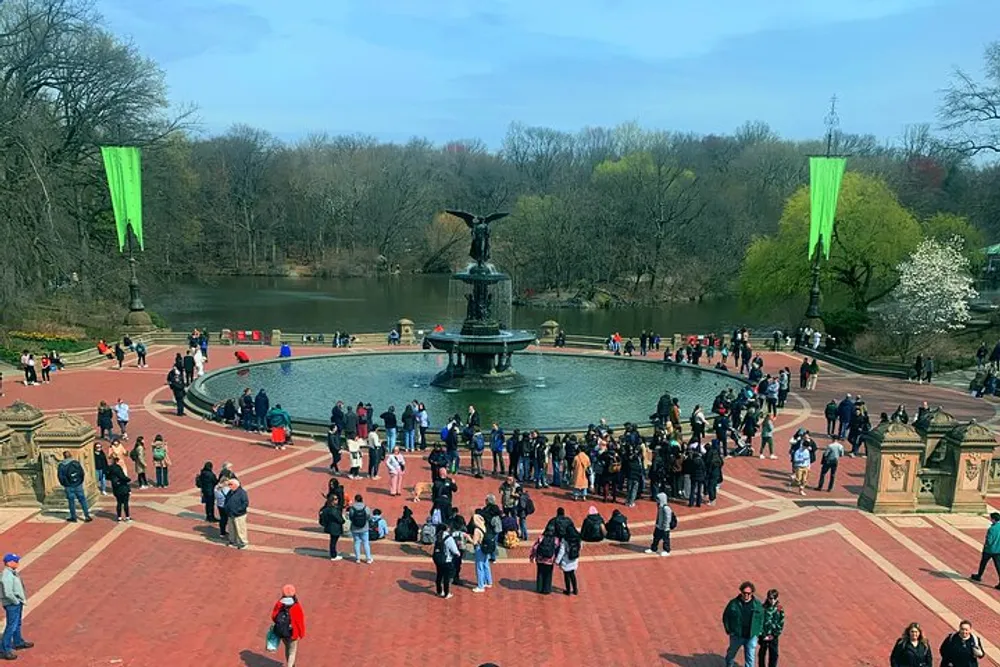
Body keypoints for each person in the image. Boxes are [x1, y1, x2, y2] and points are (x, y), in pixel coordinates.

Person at [722, 581, 764, 667]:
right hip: (737, 635)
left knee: (750, 658)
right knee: (731, 654)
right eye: (744, 593)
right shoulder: (733, 603)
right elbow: (726, 617)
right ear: (741, 592)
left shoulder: (757, 605)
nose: (746, 595)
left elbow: (761, 618)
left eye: (749, 593)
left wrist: (758, 632)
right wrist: (729, 630)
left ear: (752, 593)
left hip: (751, 636)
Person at [0, 554, 31, 660]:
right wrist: (16, 601)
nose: (18, 562)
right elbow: (8, 593)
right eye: (15, 561)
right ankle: (4, 649)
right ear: (9, 563)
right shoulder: (7, 575)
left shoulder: (13, 573)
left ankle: (18, 642)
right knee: (11, 626)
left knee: (17, 623)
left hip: (17, 602)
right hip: (12, 604)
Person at [270, 584, 305, 667]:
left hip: (282, 632)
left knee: (287, 648)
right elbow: (299, 621)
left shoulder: (279, 604)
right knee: (292, 651)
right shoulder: (296, 606)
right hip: (293, 633)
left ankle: (290, 664)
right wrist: (301, 633)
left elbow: (274, 616)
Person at [56, 451, 93, 523]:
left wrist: (64, 484)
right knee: (82, 500)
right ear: (71, 455)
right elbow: (82, 473)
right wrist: (80, 481)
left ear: (64, 456)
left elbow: (60, 476)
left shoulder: (61, 465)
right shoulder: (76, 463)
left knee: (71, 501)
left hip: (68, 486)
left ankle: (73, 517)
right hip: (78, 484)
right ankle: (87, 516)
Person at [970, 511, 1000, 588]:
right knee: (998, 566)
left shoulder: (991, 529)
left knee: (983, 563)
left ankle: (979, 575)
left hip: (989, 550)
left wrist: (986, 546)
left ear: (993, 519)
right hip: (998, 550)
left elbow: (989, 541)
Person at [432, 524, 461, 599]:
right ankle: (446, 593)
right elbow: (454, 550)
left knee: (439, 574)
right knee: (447, 577)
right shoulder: (448, 538)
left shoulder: (437, 536)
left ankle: (439, 591)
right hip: (446, 559)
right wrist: (458, 553)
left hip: (438, 559)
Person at [758, 588, 785, 667]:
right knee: (762, 653)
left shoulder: (779, 609)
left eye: (775, 598)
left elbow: (781, 622)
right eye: (771, 598)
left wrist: (774, 634)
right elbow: (760, 622)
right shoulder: (763, 608)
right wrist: (762, 634)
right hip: (764, 635)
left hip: (773, 636)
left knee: (774, 654)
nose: (772, 601)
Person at [529, 526, 560, 595]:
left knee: (540, 573)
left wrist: (532, 556)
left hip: (540, 559)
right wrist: (557, 559)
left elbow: (535, 547)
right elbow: (557, 550)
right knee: (548, 575)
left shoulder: (541, 538)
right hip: (550, 560)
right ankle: (546, 589)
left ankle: (539, 588)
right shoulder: (556, 539)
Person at [645, 492, 674, 556]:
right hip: (659, 526)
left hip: (664, 527)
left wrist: (665, 526)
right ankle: (653, 548)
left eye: (658, 499)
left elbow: (667, 518)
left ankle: (666, 550)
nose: (657, 501)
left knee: (665, 539)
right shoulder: (660, 507)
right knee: (656, 537)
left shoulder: (666, 508)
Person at [470, 512, 493, 593]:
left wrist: (468, 537)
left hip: (480, 548)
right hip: (485, 547)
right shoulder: (483, 526)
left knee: (479, 567)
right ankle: (489, 582)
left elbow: (474, 542)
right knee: (486, 565)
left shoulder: (476, 530)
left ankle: (480, 585)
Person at [224, 478, 250, 549]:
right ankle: (232, 541)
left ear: (236, 485)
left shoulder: (242, 493)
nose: (229, 486)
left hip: (239, 515)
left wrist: (238, 511)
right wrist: (226, 508)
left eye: (230, 484)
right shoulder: (230, 492)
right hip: (230, 514)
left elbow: (245, 503)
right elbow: (226, 500)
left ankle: (243, 543)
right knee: (231, 529)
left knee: (240, 529)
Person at [348, 494, 373, 564]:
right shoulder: (366, 508)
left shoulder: (352, 508)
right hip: (364, 528)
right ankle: (368, 558)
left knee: (356, 542)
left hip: (354, 528)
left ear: (355, 500)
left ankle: (357, 558)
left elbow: (350, 517)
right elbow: (370, 517)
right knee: (366, 543)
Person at [319, 496, 345, 561]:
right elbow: (340, 519)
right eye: (336, 499)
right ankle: (333, 555)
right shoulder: (333, 510)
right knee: (333, 542)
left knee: (333, 541)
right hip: (335, 528)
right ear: (332, 501)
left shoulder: (327, 508)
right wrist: (343, 520)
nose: (337, 500)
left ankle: (333, 552)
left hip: (330, 527)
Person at [107, 455, 132, 522]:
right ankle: (127, 517)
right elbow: (123, 477)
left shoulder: (110, 468)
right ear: (117, 461)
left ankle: (119, 517)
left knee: (119, 503)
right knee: (125, 503)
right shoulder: (118, 468)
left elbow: (107, 476)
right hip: (123, 487)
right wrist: (128, 479)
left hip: (115, 488)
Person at [556, 528, 580, 595]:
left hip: (566, 560)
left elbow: (562, 551)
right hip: (574, 559)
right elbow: (580, 547)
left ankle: (568, 590)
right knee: (572, 575)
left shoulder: (565, 539)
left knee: (566, 576)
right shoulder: (578, 538)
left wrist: (557, 561)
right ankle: (575, 590)